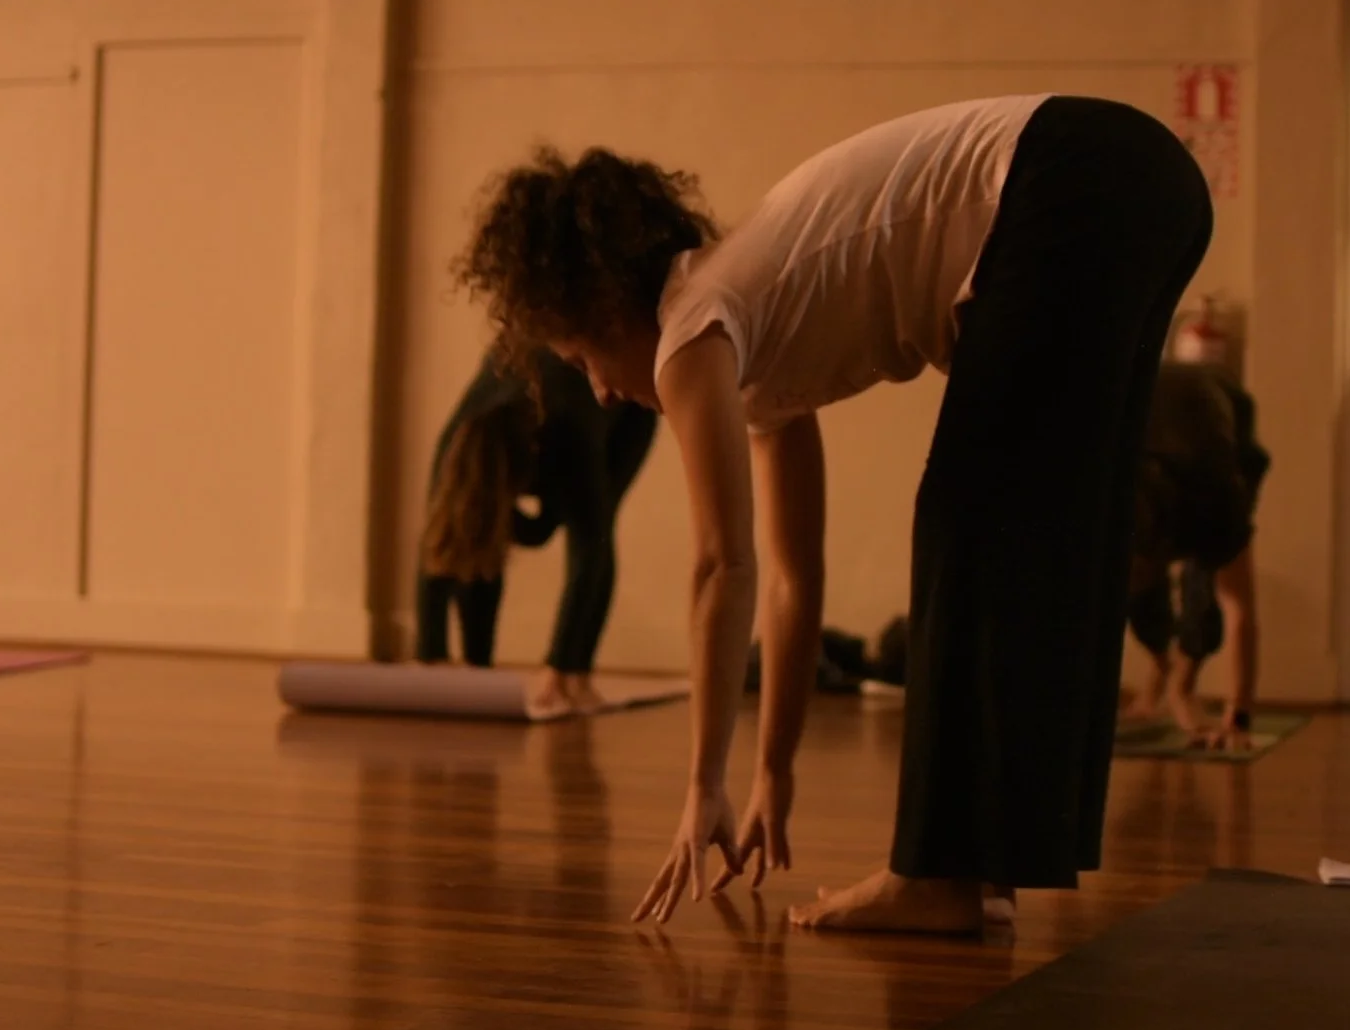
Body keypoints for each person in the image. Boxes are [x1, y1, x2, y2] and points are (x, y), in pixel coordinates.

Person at [452, 94, 1219, 935]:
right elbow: (791, 577)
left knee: (965, 520)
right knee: (1054, 522)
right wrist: (773, 771)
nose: (599, 392)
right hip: (1149, 184)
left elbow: (722, 565)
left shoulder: (692, 324)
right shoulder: (750, 334)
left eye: (581, 361)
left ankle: (936, 877)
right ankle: (982, 869)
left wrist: (702, 785)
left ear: (605, 310)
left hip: (1072, 174)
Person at [415, 343, 657, 716]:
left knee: (598, 527)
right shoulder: (457, 448)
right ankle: (480, 664)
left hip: (626, 412)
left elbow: (589, 550)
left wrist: (557, 664)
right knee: (471, 536)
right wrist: (431, 656)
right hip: (540, 394)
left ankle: (574, 674)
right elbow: (441, 553)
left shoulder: (568, 438)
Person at [1121, 361, 1269, 752]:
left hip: (1225, 416)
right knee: (1133, 592)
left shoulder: (1221, 510)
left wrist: (1238, 719)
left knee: (1204, 589)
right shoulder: (1117, 503)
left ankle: (1183, 684)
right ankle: (1162, 668)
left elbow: (1241, 612)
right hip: (1145, 413)